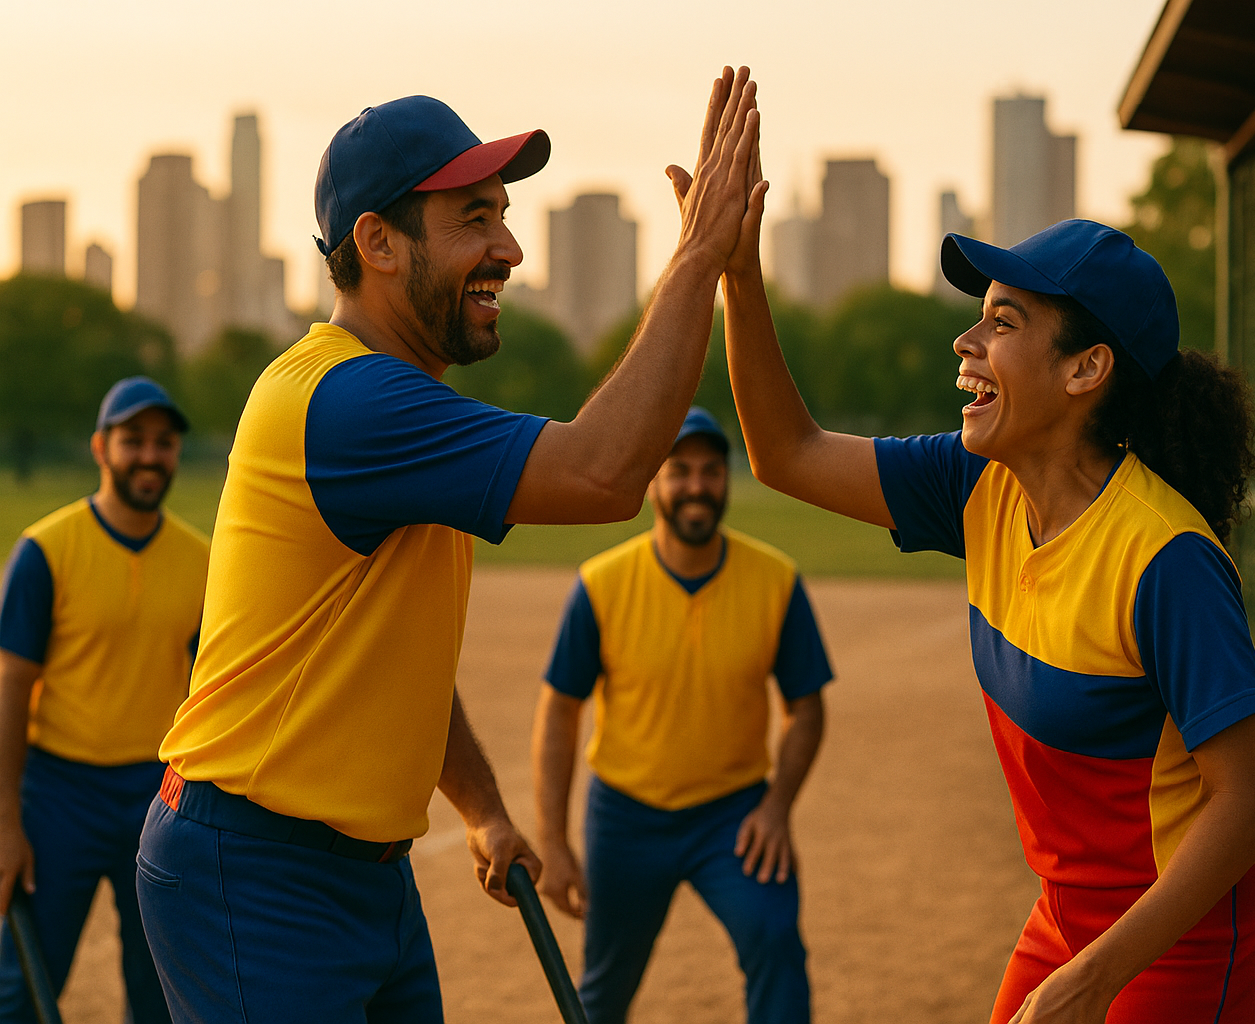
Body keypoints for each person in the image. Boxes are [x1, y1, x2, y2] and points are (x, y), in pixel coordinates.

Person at [136, 70, 764, 1023]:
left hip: (361, 873)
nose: (507, 248)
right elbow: (605, 473)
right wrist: (699, 255)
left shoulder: (401, 407)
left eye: (502, 216)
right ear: (377, 243)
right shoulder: (348, 402)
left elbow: (400, 659)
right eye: (473, 219)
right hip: (252, 868)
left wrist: (479, 806)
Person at [722, 202, 1255, 1022]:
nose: (967, 341)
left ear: (1085, 369)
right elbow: (787, 454)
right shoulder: (977, 482)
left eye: (1002, 321)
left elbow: (1252, 800)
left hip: (1187, 946)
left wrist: (1096, 979)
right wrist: (740, 276)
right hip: (1066, 922)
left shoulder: (1167, 559)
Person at [533, 406, 832, 1024]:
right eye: (679, 471)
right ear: (653, 483)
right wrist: (554, 841)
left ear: (726, 480)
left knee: (776, 940)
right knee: (605, 988)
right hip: (626, 816)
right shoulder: (601, 584)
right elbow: (560, 711)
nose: (697, 485)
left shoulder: (775, 580)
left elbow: (806, 709)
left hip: (735, 815)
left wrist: (776, 809)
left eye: (710, 471)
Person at [0, 377, 208, 1023]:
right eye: (133, 440)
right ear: (101, 447)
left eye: (164, 443)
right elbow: (11, 684)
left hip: (160, 794)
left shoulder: (204, 559)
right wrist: (6, 820)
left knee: (161, 989)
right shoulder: (45, 550)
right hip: (58, 792)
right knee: (24, 985)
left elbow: (212, 690)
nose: (149, 456)